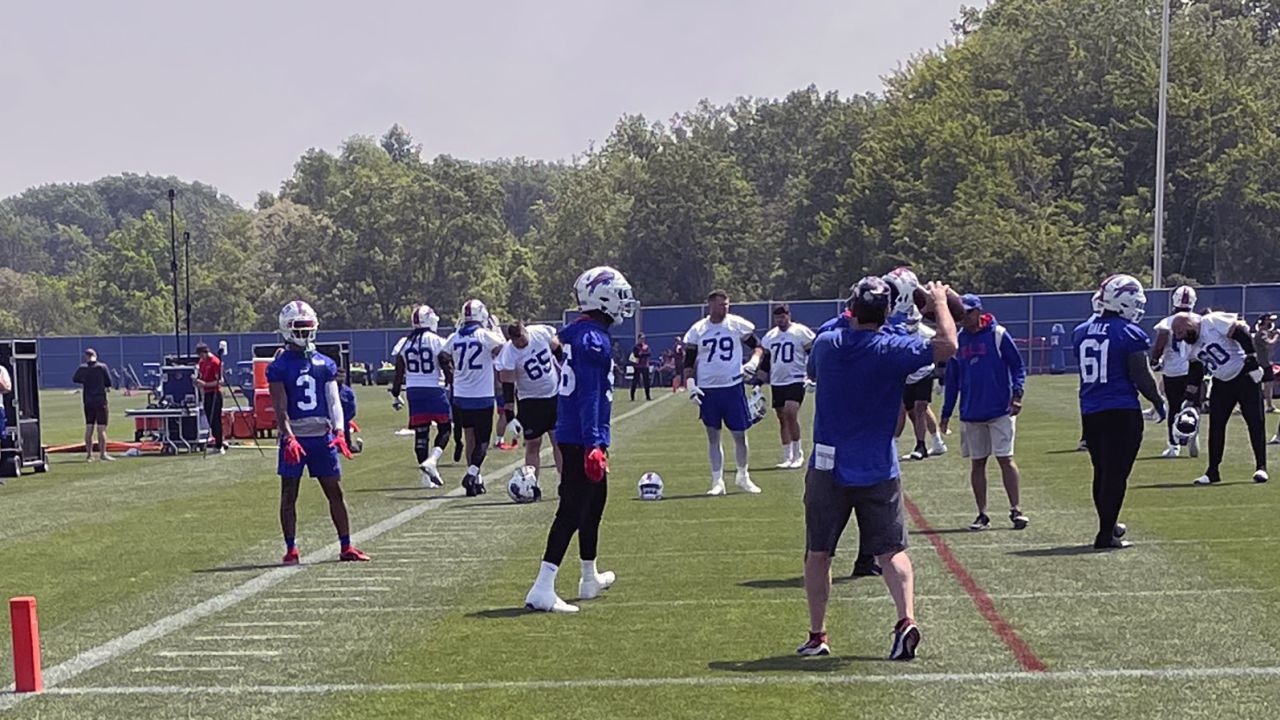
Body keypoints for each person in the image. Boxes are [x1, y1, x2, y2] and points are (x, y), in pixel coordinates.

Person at [798, 277, 958, 659]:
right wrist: (938, 303)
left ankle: (817, 635)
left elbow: (818, 364)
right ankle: (905, 619)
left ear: (851, 307)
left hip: (828, 466)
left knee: (818, 553)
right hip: (877, 464)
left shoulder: (827, 343)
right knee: (892, 552)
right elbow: (948, 345)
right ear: (886, 313)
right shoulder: (892, 348)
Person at [525, 266, 638, 613]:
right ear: (602, 298)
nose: (623, 304)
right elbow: (589, 394)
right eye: (619, 296)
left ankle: (589, 576)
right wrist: (593, 443)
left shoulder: (576, 332)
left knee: (595, 504)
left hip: (578, 432)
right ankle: (542, 587)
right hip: (582, 435)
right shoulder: (593, 339)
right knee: (572, 510)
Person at [268, 300, 368, 564]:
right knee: (289, 493)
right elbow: (279, 406)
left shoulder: (325, 363)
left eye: (307, 327)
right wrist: (288, 435)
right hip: (296, 437)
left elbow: (333, 399)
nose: (303, 333)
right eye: (298, 328)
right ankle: (291, 549)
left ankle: (346, 545)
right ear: (286, 329)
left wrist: (338, 431)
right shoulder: (279, 366)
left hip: (322, 436)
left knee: (335, 492)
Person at [1074, 274, 1166, 550]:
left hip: (1091, 410)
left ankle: (1109, 525)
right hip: (1121, 410)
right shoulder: (1129, 333)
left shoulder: (1081, 331)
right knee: (1115, 475)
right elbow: (1140, 375)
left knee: (1101, 472)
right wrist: (1159, 402)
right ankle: (1105, 535)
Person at [941, 295, 1030, 531]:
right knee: (977, 464)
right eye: (959, 314)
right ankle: (982, 513)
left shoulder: (998, 334)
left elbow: (1017, 365)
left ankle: (1016, 509)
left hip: (1000, 409)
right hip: (971, 411)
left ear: (978, 312)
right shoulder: (957, 341)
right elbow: (953, 380)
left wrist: (1017, 395)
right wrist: (946, 414)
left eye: (967, 313)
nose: (963, 318)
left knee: (1005, 459)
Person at [1170, 310, 1270, 485]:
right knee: (1216, 426)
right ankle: (1212, 471)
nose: (1181, 338)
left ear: (1190, 324)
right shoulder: (1188, 346)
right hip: (1221, 382)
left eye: (1181, 332)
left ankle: (1261, 467)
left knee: (1255, 422)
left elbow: (1241, 333)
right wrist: (1190, 397)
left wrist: (1252, 360)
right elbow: (1195, 372)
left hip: (1244, 376)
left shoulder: (1211, 322)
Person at [683, 290, 764, 495]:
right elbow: (689, 362)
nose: (725, 308)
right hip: (709, 389)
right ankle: (717, 481)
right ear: (710, 305)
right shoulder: (698, 330)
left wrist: (753, 363)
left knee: (739, 434)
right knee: (713, 436)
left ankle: (743, 476)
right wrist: (691, 385)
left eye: (727, 304)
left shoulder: (736, 324)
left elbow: (758, 347)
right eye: (721, 304)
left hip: (732, 386)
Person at [439, 299, 506, 496]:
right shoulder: (485, 335)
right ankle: (472, 474)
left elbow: (443, 355)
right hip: (482, 394)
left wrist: (452, 374)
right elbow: (502, 348)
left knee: (470, 438)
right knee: (483, 440)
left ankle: (476, 480)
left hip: (461, 394)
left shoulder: (455, 337)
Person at [390, 305, 452, 488]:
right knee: (445, 428)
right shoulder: (436, 341)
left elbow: (399, 372)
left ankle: (426, 479)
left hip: (413, 390)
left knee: (421, 433)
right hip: (434, 388)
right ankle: (432, 460)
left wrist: (395, 395)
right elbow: (445, 364)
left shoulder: (404, 342)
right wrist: (451, 382)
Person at [497, 320, 564, 479]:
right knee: (533, 444)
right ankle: (531, 484)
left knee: (559, 441)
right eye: (515, 340)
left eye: (521, 338)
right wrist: (510, 416)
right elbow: (508, 384)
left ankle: (566, 484)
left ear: (525, 331)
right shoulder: (509, 352)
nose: (519, 342)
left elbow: (557, 348)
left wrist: (564, 366)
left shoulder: (539, 332)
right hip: (530, 401)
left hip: (553, 396)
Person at [760, 304, 815, 469]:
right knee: (782, 419)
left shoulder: (800, 332)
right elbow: (766, 361)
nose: (780, 320)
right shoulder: (770, 337)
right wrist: (758, 381)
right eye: (777, 317)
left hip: (796, 378)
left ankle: (798, 454)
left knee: (791, 413)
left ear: (788, 315)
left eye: (782, 317)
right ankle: (787, 455)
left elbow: (812, 353)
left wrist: (812, 373)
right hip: (777, 381)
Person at [1151, 286, 1199, 458]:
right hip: (1194, 368)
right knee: (1192, 405)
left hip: (1173, 370)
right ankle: (1192, 432)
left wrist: (1155, 359)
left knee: (1174, 407)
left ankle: (1174, 444)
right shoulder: (1199, 320)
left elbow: (1160, 342)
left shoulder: (1168, 322)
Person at [899, 312, 948, 461]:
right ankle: (937, 442)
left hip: (925, 373)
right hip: (906, 376)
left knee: (920, 407)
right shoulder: (898, 331)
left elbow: (944, 350)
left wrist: (941, 378)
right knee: (910, 411)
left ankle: (920, 445)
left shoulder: (927, 333)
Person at [73, 348, 113, 462]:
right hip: (100, 400)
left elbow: (75, 379)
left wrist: (86, 381)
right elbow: (108, 382)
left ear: (86, 357)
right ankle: (103, 453)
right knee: (101, 428)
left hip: (88, 400)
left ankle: (89, 455)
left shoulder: (82, 368)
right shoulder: (102, 367)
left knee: (89, 427)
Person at [194, 343, 226, 455]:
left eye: (201, 354)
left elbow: (220, 381)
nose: (201, 357)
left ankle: (219, 445)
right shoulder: (202, 362)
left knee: (216, 419)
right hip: (207, 394)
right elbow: (201, 376)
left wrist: (205, 384)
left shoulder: (215, 362)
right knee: (210, 420)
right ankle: (219, 440)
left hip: (215, 393)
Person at [1255, 313, 1279, 417]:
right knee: (1267, 385)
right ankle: (1269, 406)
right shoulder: (1261, 333)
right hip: (1262, 364)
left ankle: (1269, 405)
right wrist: (1277, 336)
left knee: (1268, 384)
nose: (1271, 323)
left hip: (1264, 363)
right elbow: (1269, 344)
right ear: (1265, 321)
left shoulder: (1264, 332)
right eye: (1269, 320)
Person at [629, 333, 653, 401]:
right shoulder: (636, 347)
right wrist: (642, 353)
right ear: (638, 339)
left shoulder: (646, 346)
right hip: (638, 366)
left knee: (646, 381)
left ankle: (648, 396)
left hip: (645, 365)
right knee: (635, 381)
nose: (642, 340)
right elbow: (636, 355)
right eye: (641, 338)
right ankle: (632, 396)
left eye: (643, 338)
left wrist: (642, 354)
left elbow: (649, 353)